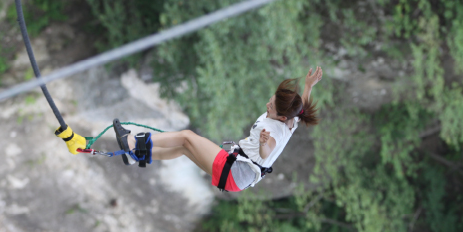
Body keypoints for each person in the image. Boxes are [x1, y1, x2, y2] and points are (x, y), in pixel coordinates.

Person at [113, 66, 322, 192]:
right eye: (271, 100)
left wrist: (264, 145)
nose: (267, 105)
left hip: (236, 172)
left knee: (186, 136)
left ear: (282, 117)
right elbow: (301, 105)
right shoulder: (290, 122)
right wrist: (308, 86)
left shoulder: (274, 133)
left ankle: (132, 142)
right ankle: (137, 156)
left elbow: (266, 151)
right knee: (184, 148)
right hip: (238, 176)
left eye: (271, 106)